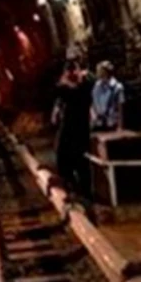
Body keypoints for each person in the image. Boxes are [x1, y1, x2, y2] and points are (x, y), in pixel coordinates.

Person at [53, 59, 93, 195]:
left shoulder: (81, 87)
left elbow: (64, 90)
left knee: (80, 160)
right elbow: (61, 91)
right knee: (69, 159)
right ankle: (75, 187)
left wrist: (71, 80)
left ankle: (81, 190)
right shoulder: (76, 88)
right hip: (74, 128)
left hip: (77, 128)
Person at [91, 61, 125, 132]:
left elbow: (120, 108)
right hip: (98, 122)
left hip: (111, 123)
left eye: (99, 71)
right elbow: (93, 103)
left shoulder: (117, 87)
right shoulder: (96, 86)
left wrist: (120, 126)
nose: (97, 73)